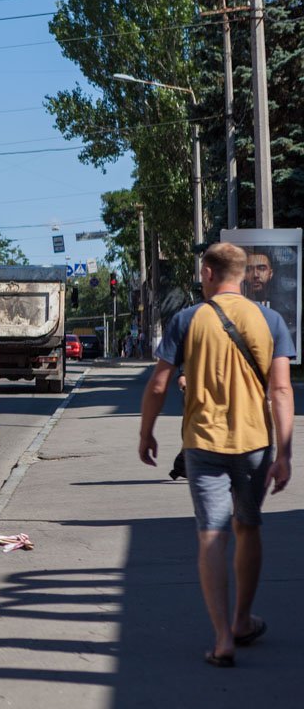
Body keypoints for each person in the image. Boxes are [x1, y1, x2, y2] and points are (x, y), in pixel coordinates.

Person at [138, 242, 294, 668]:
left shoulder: (187, 320)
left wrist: (146, 433)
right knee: (248, 527)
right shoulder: (271, 320)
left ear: (208, 272)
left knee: (211, 534)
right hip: (255, 444)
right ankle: (243, 620)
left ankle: (223, 638)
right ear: (242, 275)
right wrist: (286, 452)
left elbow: (157, 385)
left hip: (203, 445)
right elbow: (281, 390)